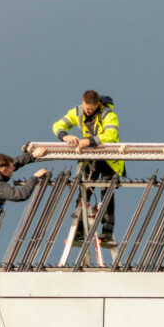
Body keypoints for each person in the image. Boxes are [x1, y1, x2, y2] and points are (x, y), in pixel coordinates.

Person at [52, 89, 124, 241]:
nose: (87, 111)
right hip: (89, 159)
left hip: (109, 160)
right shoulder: (77, 112)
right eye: (85, 108)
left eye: (90, 109)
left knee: (107, 193)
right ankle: (79, 229)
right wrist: (65, 136)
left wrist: (89, 141)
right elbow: (58, 125)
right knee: (83, 192)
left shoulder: (108, 115)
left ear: (98, 104)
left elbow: (111, 135)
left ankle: (107, 232)